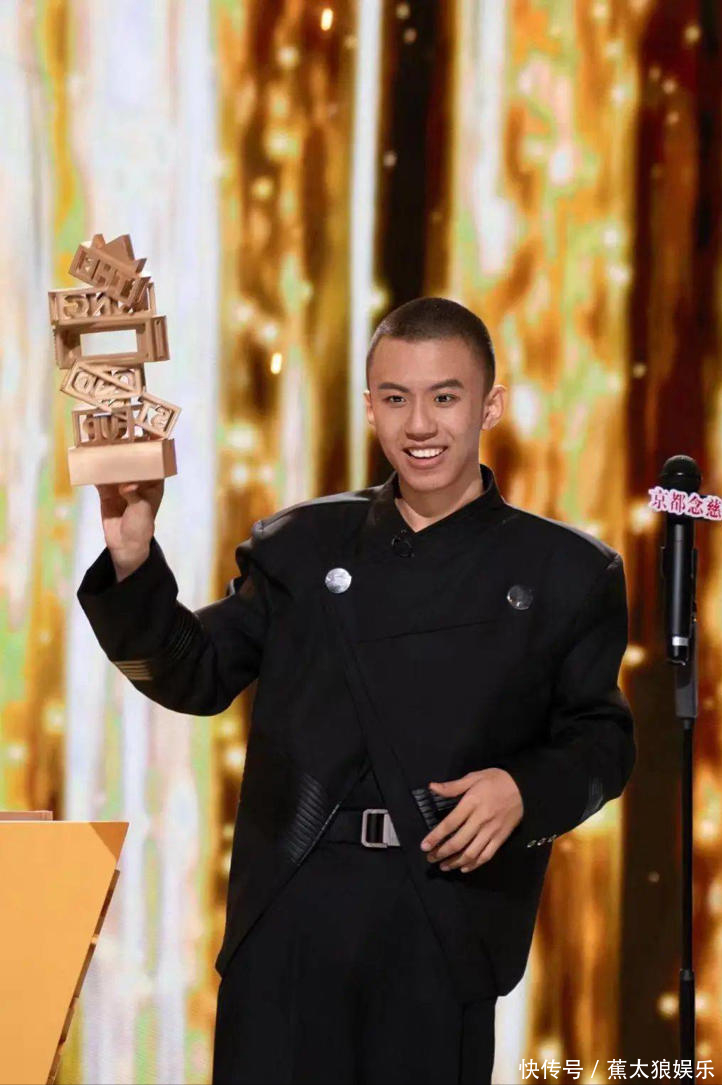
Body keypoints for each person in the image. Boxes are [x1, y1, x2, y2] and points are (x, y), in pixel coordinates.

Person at [77, 297, 636, 1084]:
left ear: (490, 406)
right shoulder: (302, 546)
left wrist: (523, 790)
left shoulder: (567, 572)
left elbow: (603, 740)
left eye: (445, 396)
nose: (420, 424)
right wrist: (132, 557)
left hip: (441, 919)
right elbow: (191, 672)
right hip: (290, 910)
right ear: (370, 407)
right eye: (396, 398)